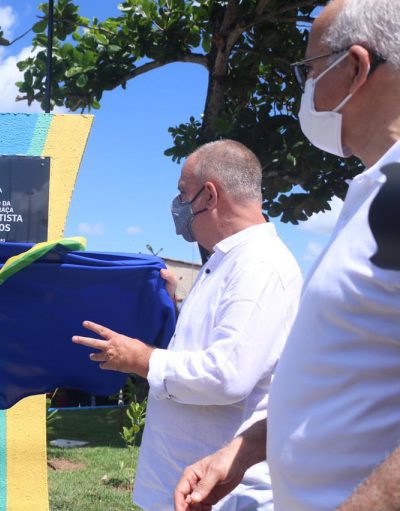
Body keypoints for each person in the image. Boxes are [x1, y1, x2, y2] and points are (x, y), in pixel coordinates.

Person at [174, 1, 400, 510]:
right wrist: (242, 450)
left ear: (356, 67)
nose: (306, 88)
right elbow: (342, 379)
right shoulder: (374, 195)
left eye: (310, 71)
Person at [73, 140, 302, 510]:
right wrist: (172, 304)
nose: (179, 204)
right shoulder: (227, 261)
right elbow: (212, 346)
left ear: (209, 195)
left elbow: (227, 374)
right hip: (188, 488)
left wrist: (141, 359)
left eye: (183, 193)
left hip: (225, 496)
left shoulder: (259, 265)